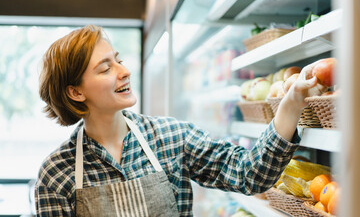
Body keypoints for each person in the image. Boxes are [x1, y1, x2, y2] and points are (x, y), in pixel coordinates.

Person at [35, 25, 323, 216]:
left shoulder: (171, 137)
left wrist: (292, 103)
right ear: (76, 92)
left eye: (119, 60)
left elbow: (250, 175)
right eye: (105, 68)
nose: (124, 71)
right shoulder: (56, 175)